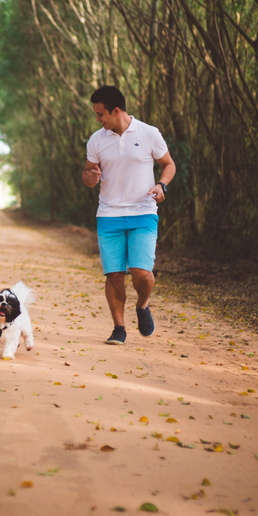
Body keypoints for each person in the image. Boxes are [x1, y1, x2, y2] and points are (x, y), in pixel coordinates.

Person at [81, 85, 176, 345]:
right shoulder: (96, 140)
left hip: (143, 211)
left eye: (101, 114)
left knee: (141, 272)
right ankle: (119, 328)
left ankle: (142, 305)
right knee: (114, 275)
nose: (98, 120)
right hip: (109, 214)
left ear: (116, 111)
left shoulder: (149, 133)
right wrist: (91, 177)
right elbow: (88, 175)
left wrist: (161, 185)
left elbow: (168, 164)